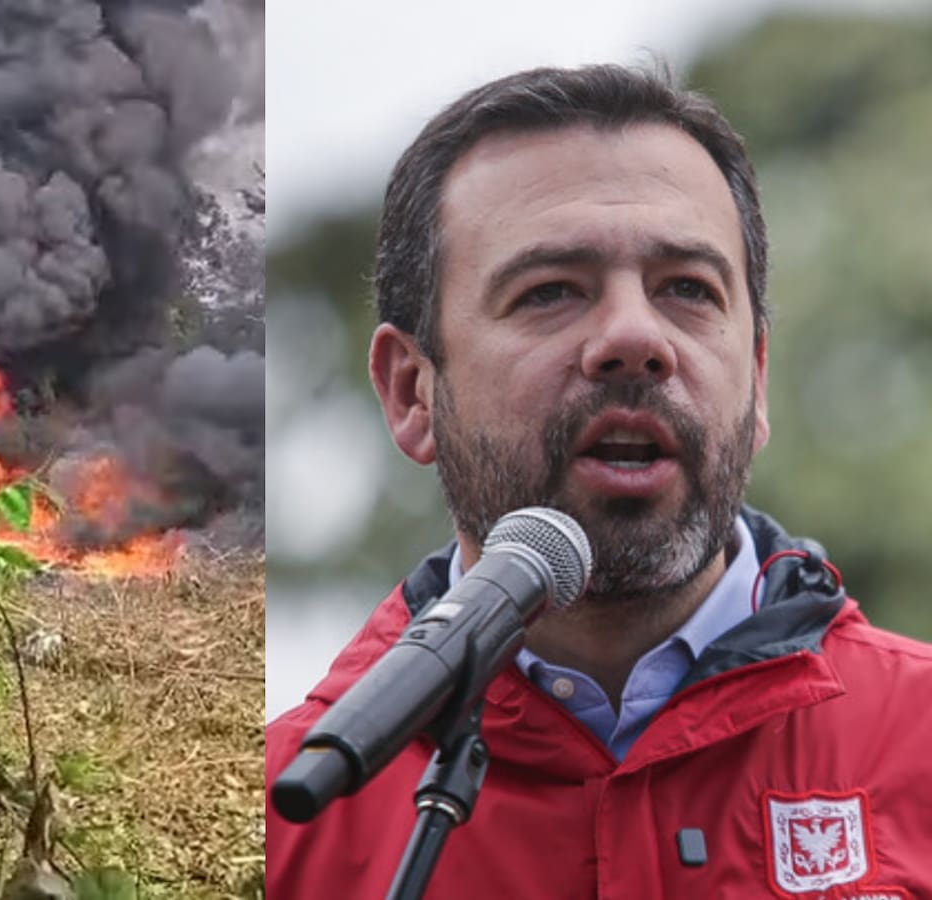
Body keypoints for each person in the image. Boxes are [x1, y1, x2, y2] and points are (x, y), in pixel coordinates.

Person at [265, 64, 932, 898]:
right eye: (550, 292)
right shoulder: (287, 816)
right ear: (412, 392)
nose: (633, 338)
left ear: (758, 379)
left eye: (687, 289)